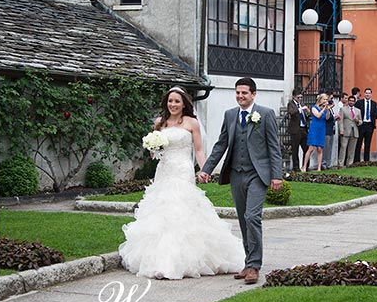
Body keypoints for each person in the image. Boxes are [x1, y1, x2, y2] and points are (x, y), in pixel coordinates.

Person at [120, 86, 245, 280]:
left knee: (182, 209)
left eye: (177, 101)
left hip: (183, 170)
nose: (173, 104)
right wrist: (153, 147)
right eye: (170, 101)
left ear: (184, 103)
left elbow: (199, 150)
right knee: (162, 211)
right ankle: (159, 260)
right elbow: (155, 154)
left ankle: (186, 259)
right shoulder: (159, 123)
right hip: (164, 170)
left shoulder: (191, 123)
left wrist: (205, 170)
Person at [198, 77, 283, 285]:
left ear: (253, 94)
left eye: (244, 93)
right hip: (236, 173)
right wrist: (206, 169)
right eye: (237, 93)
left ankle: (255, 265)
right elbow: (221, 145)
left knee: (252, 216)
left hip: (257, 173)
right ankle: (248, 262)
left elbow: (274, 146)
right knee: (244, 220)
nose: (240, 96)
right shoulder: (230, 115)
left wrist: (276, 175)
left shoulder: (265, 114)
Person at [301, 93, 332, 172]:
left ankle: (319, 167)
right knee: (310, 149)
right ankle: (304, 166)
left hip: (322, 128)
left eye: (326, 99)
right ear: (320, 99)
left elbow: (327, 118)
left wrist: (328, 109)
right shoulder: (314, 107)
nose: (325, 101)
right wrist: (324, 108)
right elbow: (318, 115)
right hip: (314, 129)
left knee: (320, 149)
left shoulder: (325, 108)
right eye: (324, 99)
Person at [287, 88, 310, 171]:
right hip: (295, 129)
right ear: (294, 97)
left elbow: (307, 116)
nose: (300, 99)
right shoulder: (291, 104)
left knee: (306, 149)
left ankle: (305, 166)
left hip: (304, 128)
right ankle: (295, 167)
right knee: (295, 149)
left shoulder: (302, 104)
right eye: (298, 97)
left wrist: (307, 112)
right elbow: (291, 112)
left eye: (301, 97)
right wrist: (300, 109)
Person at [354, 88, 377, 163]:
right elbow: (355, 113)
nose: (367, 94)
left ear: (371, 94)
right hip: (361, 124)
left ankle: (366, 160)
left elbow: (374, 114)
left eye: (369, 93)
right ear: (364, 94)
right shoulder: (359, 102)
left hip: (370, 125)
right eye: (366, 93)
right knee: (359, 143)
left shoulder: (374, 103)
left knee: (368, 143)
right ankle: (357, 160)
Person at [338, 95, 362, 167]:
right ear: (348, 101)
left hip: (354, 131)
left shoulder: (358, 110)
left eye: (352, 101)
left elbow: (361, 121)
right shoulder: (343, 109)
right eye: (350, 101)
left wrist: (358, 121)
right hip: (345, 131)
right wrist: (341, 130)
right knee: (343, 148)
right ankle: (340, 164)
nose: (351, 102)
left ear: (355, 102)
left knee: (352, 150)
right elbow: (340, 121)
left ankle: (350, 164)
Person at [322, 96, 337, 170]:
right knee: (326, 148)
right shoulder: (324, 108)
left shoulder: (330, 109)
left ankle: (328, 163)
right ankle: (324, 163)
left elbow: (331, 117)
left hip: (331, 129)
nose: (331, 100)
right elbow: (326, 118)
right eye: (330, 98)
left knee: (330, 147)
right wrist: (328, 108)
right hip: (326, 130)